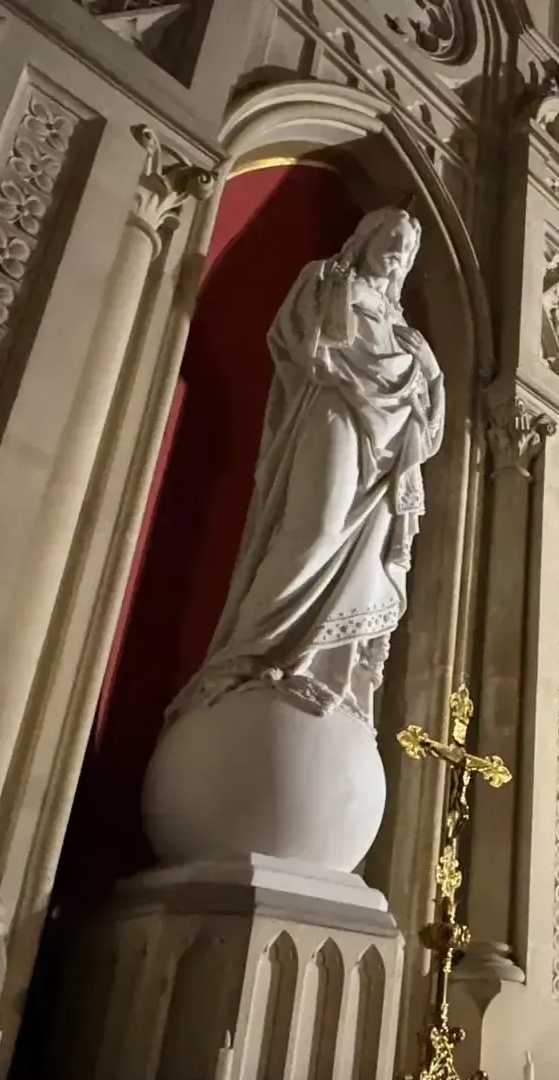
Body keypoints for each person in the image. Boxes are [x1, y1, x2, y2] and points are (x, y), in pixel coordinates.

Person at [172, 207, 446, 725]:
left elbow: (430, 419)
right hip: (335, 412)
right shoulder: (328, 280)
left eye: (408, 249)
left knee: (362, 553)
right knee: (315, 529)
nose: (398, 253)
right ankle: (248, 655)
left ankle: (321, 670)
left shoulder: (404, 329)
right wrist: (356, 359)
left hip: (386, 455)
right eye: (390, 239)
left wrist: (424, 365)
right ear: (363, 239)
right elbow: (300, 343)